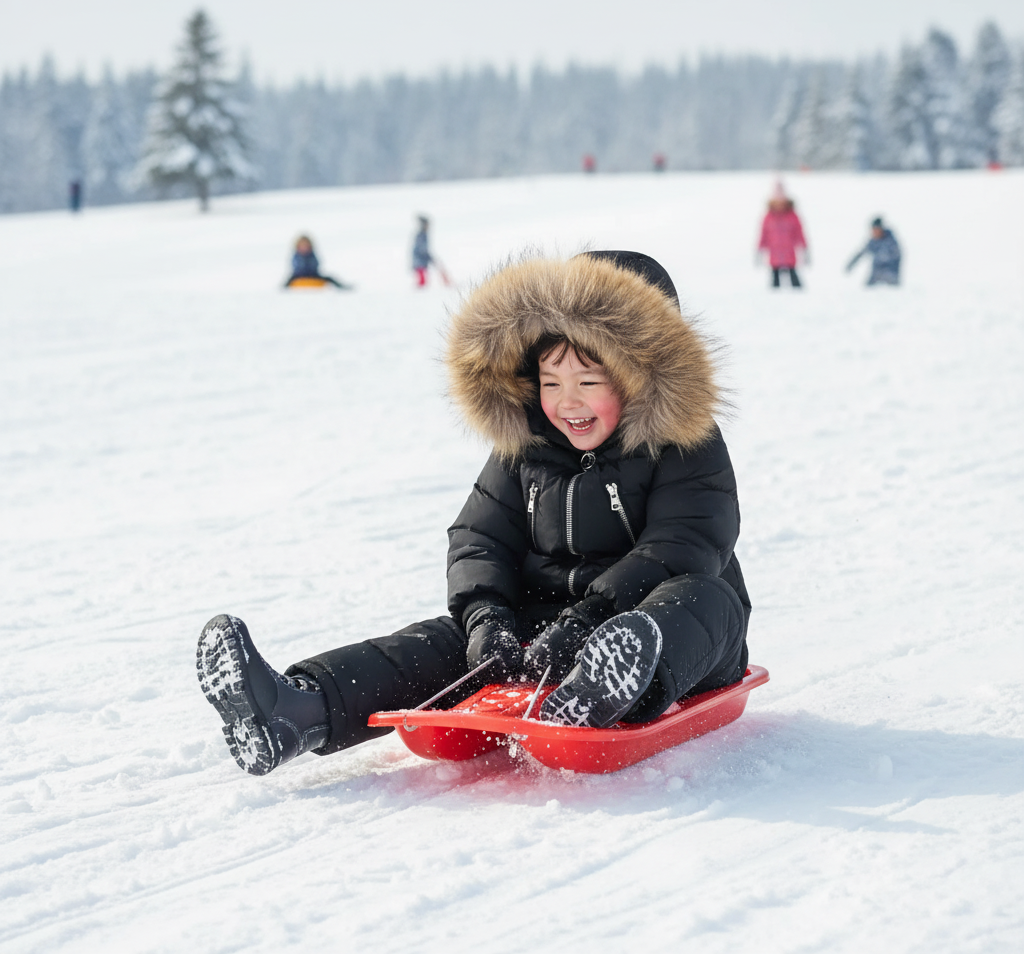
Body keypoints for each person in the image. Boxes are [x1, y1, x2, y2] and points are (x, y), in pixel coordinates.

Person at [197, 250, 752, 776]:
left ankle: (602, 689)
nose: (568, 402)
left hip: (668, 629)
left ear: (643, 378)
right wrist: (487, 619)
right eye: (551, 383)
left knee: (704, 599)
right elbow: (478, 537)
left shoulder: (686, 443)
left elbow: (684, 543)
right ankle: (297, 711)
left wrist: (590, 620)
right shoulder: (526, 445)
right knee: (441, 642)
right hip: (546, 626)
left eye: (588, 382)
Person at [757, 183, 809, 288]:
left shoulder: (792, 216)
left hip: (789, 252)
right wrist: (760, 249)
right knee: (775, 282)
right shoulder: (769, 217)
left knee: (794, 280)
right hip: (774, 253)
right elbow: (763, 233)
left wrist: (804, 247)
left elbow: (799, 232)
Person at [847, 217, 901, 286]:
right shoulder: (873, 242)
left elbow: (896, 255)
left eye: (876, 230)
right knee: (868, 288)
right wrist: (851, 264)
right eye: (873, 230)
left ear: (881, 229)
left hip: (890, 272)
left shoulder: (890, 241)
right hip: (876, 273)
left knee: (889, 287)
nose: (874, 232)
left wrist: (881, 256)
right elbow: (861, 253)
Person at [283, 235, 349, 289]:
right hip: (299, 276)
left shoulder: (312, 255)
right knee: (289, 280)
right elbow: (296, 266)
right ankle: (282, 289)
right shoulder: (296, 256)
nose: (304, 247)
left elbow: (316, 264)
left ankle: (341, 287)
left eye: (306, 245)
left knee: (329, 278)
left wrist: (311, 270)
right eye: (302, 246)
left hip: (313, 275)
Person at [412, 216, 434, 288]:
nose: (428, 226)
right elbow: (422, 249)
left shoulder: (423, 234)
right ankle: (420, 291)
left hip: (421, 260)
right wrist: (428, 256)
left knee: (423, 279)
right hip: (419, 260)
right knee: (422, 281)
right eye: (427, 225)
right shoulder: (421, 235)